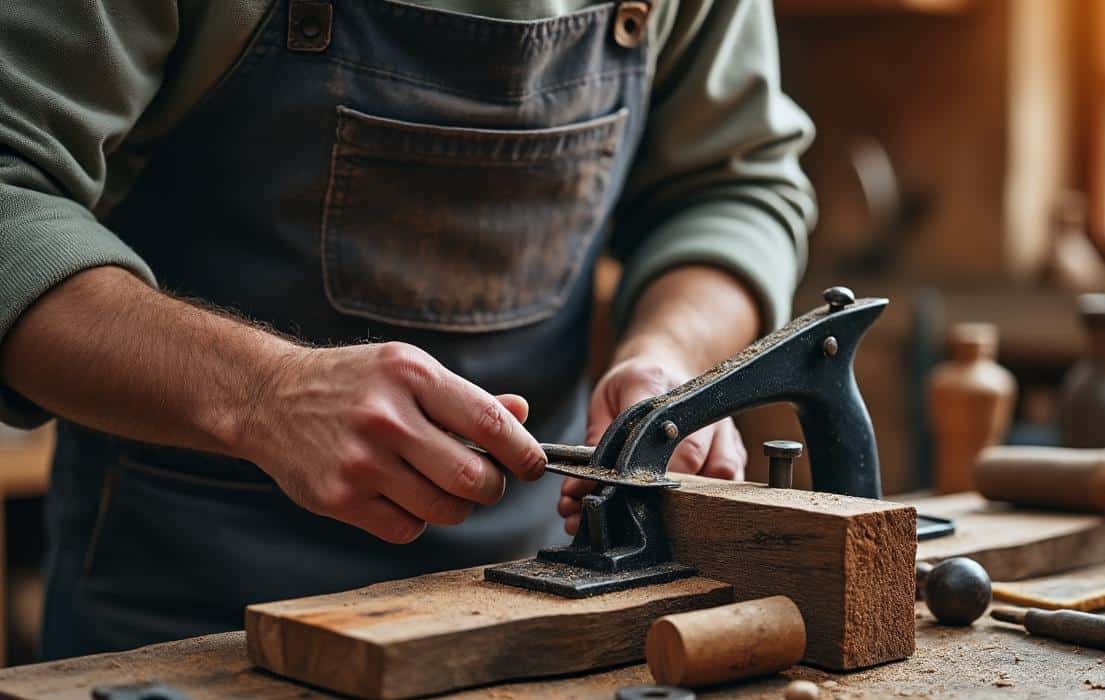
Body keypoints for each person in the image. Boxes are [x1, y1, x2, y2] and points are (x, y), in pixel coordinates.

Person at [0, 0, 814, 659]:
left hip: (544, 594)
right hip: (185, 619)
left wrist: (669, 357)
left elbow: (731, 185)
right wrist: (262, 393)